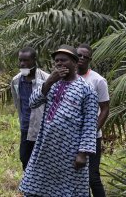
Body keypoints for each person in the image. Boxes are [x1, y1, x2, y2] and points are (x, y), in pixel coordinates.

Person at [19, 45, 98, 197]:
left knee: (68, 190)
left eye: (64, 60)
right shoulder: (51, 84)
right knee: (37, 187)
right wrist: (49, 81)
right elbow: (32, 102)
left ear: (75, 63)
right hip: (45, 147)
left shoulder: (86, 90)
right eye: (57, 61)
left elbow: (89, 124)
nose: (60, 64)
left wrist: (82, 154)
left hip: (70, 151)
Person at [77, 43, 110, 197]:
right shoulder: (67, 78)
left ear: (90, 59)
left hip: (92, 137)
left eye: (85, 57)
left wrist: (91, 130)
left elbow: (104, 109)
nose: (81, 59)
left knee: (92, 177)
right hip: (71, 135)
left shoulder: (98, 80)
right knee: (77, 178)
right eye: (79, 55)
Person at [10, 47, 49, 170]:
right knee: (25, 158)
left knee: (42, 160)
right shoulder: (16, 81)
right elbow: (17, 102)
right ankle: (29, 187)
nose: (22, 64)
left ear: (34, 60)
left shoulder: (46, 79)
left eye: (26, 60)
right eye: (20, 60)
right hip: (26, 126)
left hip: (42, 128)